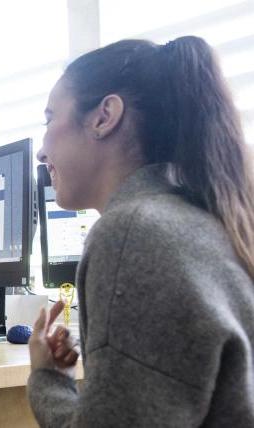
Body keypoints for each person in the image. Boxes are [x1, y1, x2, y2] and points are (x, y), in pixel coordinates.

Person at [27, 36, 254, 426]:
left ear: (104, 117)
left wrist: (48, 379)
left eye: (50, 120)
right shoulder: (208, 219)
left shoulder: (132, 232)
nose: (41, 152)